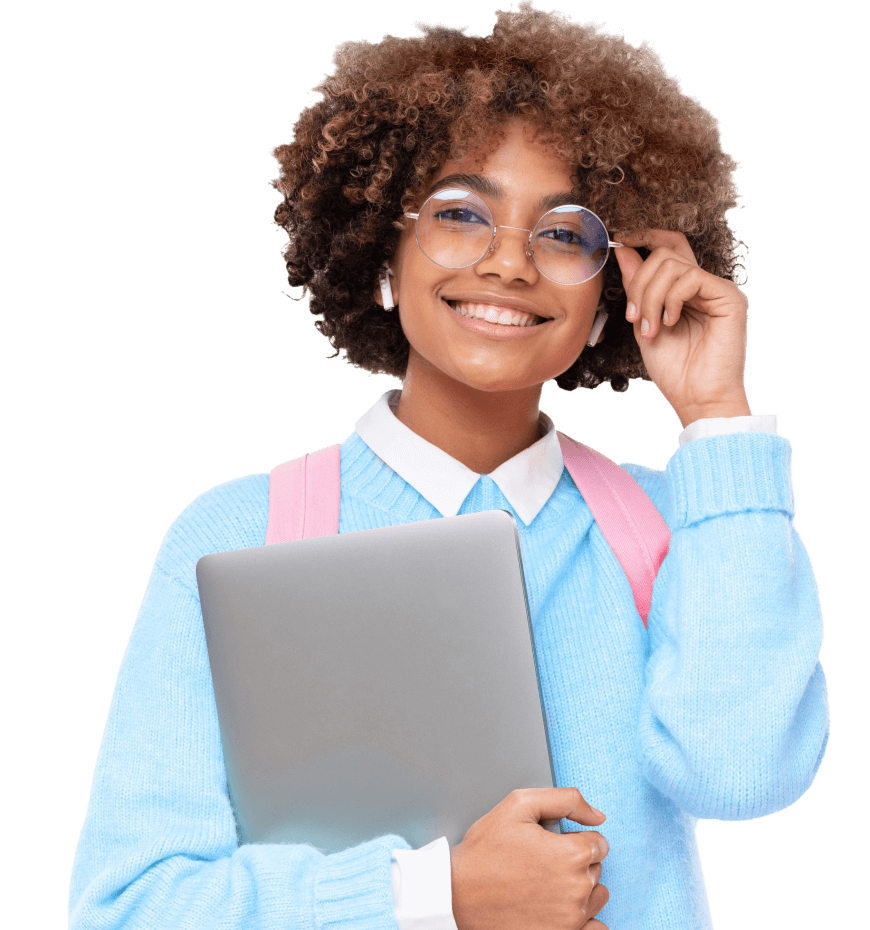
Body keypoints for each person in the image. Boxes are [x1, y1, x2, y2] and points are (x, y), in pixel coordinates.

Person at [68, 4, 829, 929]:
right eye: (462, 215)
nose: (509, 262)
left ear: (612, 291)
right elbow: (128, 906)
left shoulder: (685, 523)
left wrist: (718, 418)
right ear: (381, 255)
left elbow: (742, 776)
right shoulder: (237, 535)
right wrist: (436, 896)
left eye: (563, 232)